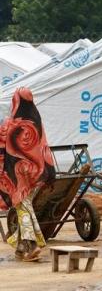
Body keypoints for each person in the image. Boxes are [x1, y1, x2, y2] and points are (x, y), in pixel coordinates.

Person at [0, 88, 56, 262]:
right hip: (33, 175)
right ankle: (21, 248)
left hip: (16, 176)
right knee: (26, 206)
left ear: (15, 102)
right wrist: (49, 172)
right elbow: (44, 148)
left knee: (23, 208)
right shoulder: (36, 122)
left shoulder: (10, 125)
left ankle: (32, 246)